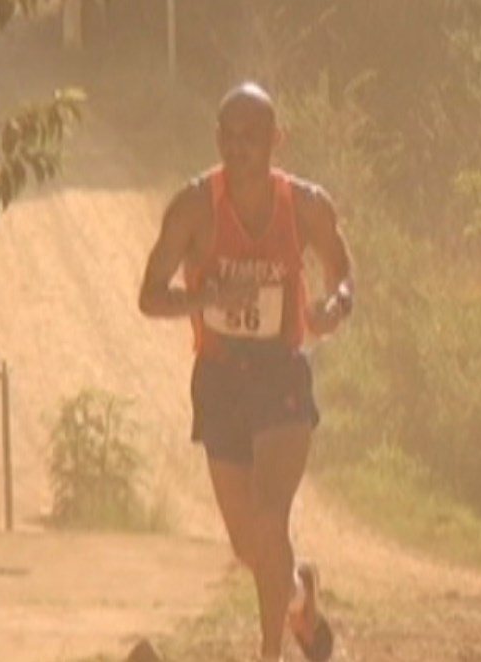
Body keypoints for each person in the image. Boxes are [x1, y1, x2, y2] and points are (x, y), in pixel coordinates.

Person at [139, 82, 353, 662]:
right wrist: (205, 296)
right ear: (217, 140)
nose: (240, 150)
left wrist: (334, 307)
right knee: (248, 543)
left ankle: (269, 655)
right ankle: (296, 594)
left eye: (252, 138)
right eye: (229, 138)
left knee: (270, 513)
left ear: (275, 141)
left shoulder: (306, 205)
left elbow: (342, 272)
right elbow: (150, 297)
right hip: (220, 376)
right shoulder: (192, 208)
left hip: (280, 372)